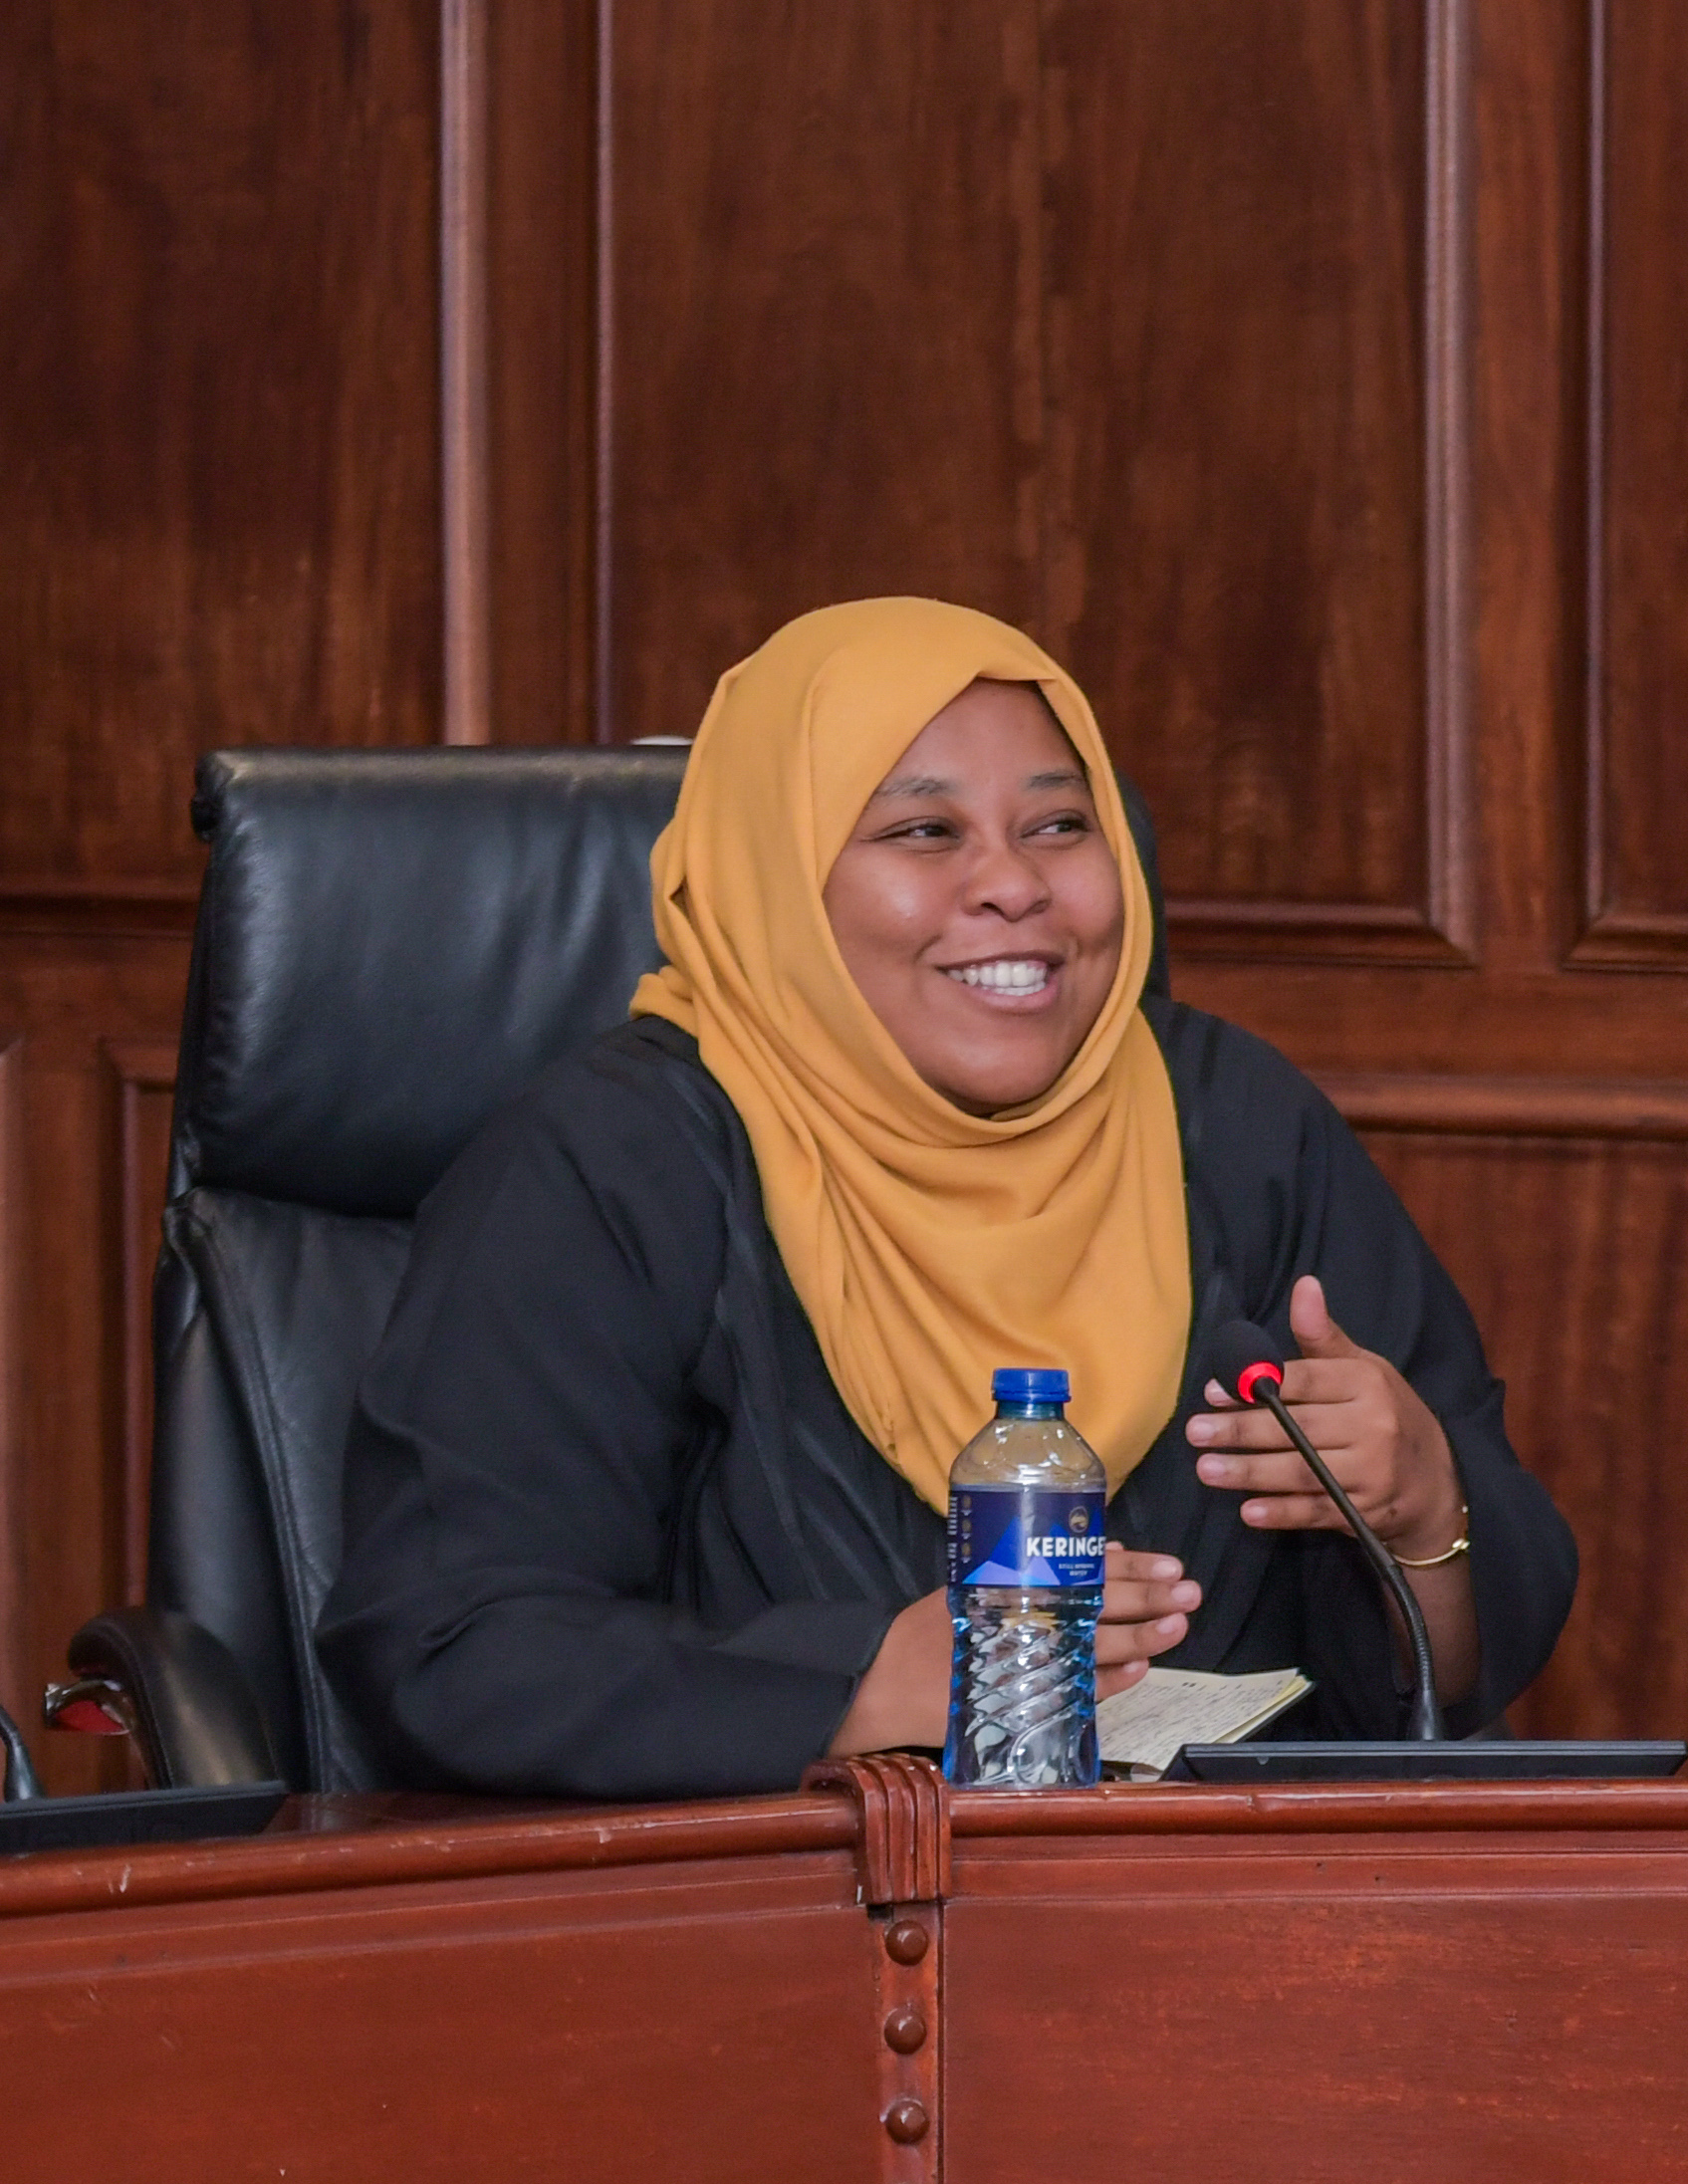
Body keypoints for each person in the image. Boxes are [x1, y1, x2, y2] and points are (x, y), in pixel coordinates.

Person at [327, 597, 1578, 1797]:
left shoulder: (1238, 1123)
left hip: (1223, 1929)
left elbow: (1436, 1691)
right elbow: (452, 1646)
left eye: (1057, 825)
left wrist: (1425, 1512)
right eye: (925, 833)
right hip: (778, 1940)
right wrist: (857, 1690)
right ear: (779, 880)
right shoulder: (610, 1164)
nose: (1013, 886)